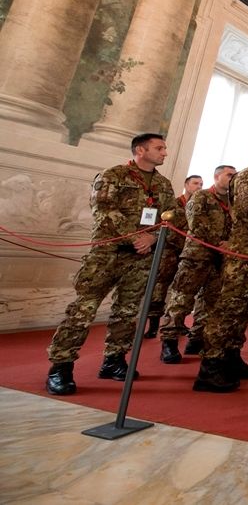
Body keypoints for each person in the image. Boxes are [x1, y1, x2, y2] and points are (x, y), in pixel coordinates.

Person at [45, 133, 176, 395]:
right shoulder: (113, 175)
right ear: (140, 150)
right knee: (83, 310)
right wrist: (136, 236)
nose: (164, 153)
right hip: (107, 253)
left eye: (164, 148)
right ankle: (61, 367)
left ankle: (114, 360)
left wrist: (152, 237)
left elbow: (171, 218)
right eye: (159, 148)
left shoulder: (163, 184)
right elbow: (103, 210)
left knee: (127, 312)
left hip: (141, 256)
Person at [193, 136, 248, 394]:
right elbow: (247, 211)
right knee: (227, 310)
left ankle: (231, 357)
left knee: (245, 310)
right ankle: (209, 368)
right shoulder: (246, 177)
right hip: (244, 254)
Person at [158, 165, 236, 363]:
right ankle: (169, 342)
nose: (233, 178)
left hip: (218, 260)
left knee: (209, 303)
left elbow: (237, 227)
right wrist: (222, 243)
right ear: (217, 176)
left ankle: (196, 338)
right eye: (229, 174)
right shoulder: (201, 197)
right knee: (181, 299)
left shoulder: (232, 201)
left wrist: (231, 243)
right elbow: (197, 224)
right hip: (196, 256)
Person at [144, 174, 201, 337]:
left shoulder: (198, 205)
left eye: (201, 184)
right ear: (186, 184)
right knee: (159, 289)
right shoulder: (174, 204)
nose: (199, 186)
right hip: (169, 252)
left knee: (182, 289)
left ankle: (177, 323)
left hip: (187, 252)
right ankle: (153, 326)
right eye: (195, 183)